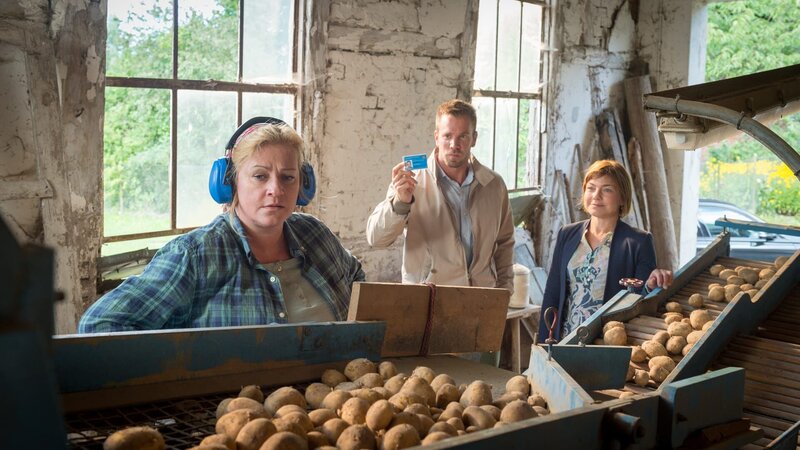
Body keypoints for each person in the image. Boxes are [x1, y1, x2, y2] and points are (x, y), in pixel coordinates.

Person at [79, 119, 364, 332]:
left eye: (288, 177)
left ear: (303, 186)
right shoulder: (195, 255)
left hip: (337, 393)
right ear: (230, 183)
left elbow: (357, 282)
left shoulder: (315, 235)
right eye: (260, 176)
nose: (276, 190)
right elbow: (100, 324)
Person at [366, 99, 514, 291]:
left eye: (463, 136)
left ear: (474, 138)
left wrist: (504, 292)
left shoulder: (494, 185)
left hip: (482, 297)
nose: (454, 145)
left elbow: (505, 243)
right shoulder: (411, 181)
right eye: (447, 136)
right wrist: (400, 203)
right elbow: (376, 239)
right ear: (436, 137)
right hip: (429, 298)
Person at [537, 159, 673, 343]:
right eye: (591, 188)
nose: (596, 195)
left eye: (607, 189)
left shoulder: (639, 242)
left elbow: (642, 304)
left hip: (607, 342)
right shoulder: (567, 234)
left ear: (622, 198)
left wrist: (651, 284)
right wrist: (544, 343)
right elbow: (552, 293)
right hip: (564, 340)